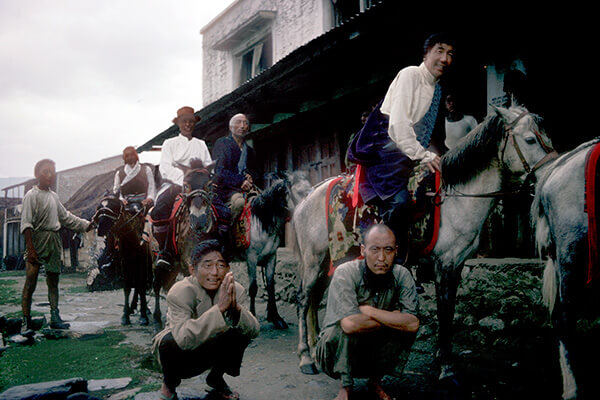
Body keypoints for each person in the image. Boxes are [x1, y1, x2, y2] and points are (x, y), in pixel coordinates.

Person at [346, 32, 455, 263]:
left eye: (450, 54)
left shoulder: (437, 89)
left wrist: (439, 157)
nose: (445, 59)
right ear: (426, 54)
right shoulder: (410, 75)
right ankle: (388, 263)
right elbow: (398, 125)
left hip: (410, 153)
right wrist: (423, 155)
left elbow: (432, 136)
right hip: (385, 151)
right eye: (440, 51)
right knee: (400, 202)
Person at [316, 223, 419, 400]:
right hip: (334, 353)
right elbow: (349, 325)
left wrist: (368, 311)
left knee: (402, 331)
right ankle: (345, 387)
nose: (381, 258)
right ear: (363, 250)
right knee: (342, 329)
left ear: (396, 251)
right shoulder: (345, 273)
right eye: (374, 250)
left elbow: (413, 323)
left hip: (371, 347)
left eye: (388, 250)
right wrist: (393, 318)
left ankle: (375, 381)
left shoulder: (402, 275)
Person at [152, 239, 259, 400]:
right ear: (192, 270)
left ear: (228, 269)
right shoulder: (180, 291)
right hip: (183, 353)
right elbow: (182, 338)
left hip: (212, 345)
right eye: (207, 266)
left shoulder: (234, 289)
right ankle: (169, 384)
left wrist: (236, 310)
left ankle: (216, 377)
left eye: (221, 265)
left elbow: (254, 330)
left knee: (239, 331)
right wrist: (219, 310)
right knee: (168, 342)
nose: (215, 273)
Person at [21, 159, 94, 330]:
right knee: (30, 281)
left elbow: (66, 217)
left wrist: (86, 224)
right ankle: (26, 320)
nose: (49, 175)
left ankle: (55, 316)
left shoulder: (54, 197)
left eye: (52, 172)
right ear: (37, 174)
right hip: (37, 239)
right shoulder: (31, 196)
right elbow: (26, 225)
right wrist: (31, 249)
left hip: (54, 239)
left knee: (53, 280)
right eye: (45, 171)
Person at [152, 106, 212, 268]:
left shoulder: (201, 144)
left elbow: (207, 166)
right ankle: (164, 251)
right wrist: (184, 180)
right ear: (178, 123)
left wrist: (202, 179)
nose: (188, 125)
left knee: (218, 206)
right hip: (176, 183)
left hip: (198, 185)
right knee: (160, 208)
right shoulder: (170, 143)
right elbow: (165, 167)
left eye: (191, 122)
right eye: (184, 122)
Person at [211, 113, 259, 246]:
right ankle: (226, 234)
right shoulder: (222, 144)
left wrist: (250, 177)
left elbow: (255, 171)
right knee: (238, 203)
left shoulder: (249, 150)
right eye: (238, 122)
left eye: (245, 123)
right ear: (230, 127)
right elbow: (220, 171)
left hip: (247, 187)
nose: (242, 126)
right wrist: (241, 180)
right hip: (225, 188)